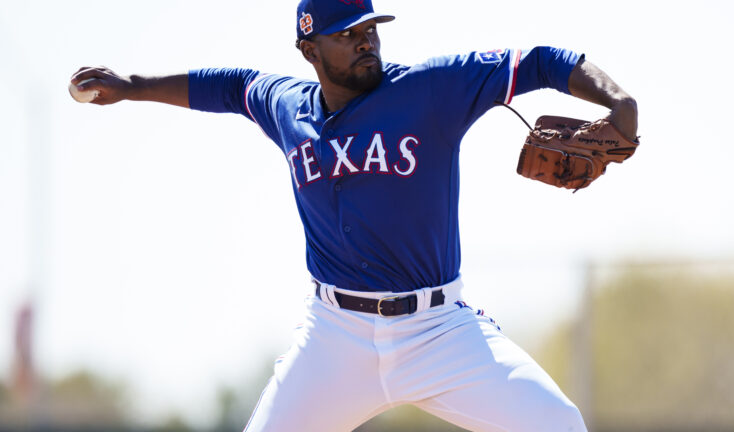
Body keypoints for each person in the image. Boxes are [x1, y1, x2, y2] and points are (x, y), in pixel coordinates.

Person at [70, 0, 637, 430]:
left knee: (560, 424)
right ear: (309, 50)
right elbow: (228, 87)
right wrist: (133, 87)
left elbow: (540, 61)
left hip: (438, 329)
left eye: (370, 31)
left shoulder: (429, 89)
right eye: (349, 36)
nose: (367, 43)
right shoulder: (285, 105)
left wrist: (619, 102)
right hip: (334, 337)